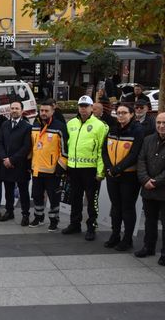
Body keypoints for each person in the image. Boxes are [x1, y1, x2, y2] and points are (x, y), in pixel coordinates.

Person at [62, 95, 109, 241]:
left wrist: (100, 171)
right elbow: (66, 146)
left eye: (86, 106)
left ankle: (91, 227)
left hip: (91, 169)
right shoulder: (71, 123)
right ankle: (74, 224)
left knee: (91, 200)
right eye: (81, 106)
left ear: (91, 108)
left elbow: (102, 150)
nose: (83, 108)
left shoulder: (100, 125)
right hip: (74, 168)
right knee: (75, 198)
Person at [102, 104, 144, 251]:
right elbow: (104, 151)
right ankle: (115, 235)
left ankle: (127, 239)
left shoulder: (137, 131)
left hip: (129, 176)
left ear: (131, 114)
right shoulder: (113, 129)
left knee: (127, 208)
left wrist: (118, 169)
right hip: (112, 175)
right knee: (115, 206)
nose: (120, 115)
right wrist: (109, 168)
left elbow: (134, 155)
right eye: (118, 113)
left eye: (124, 113)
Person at [29, 99, 68, 231]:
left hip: (52, 171)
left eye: (46, 111)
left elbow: (65, 151)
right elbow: (32, 147)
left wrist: (60, 167)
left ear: (52, 111)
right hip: (36, 169)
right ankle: (38, 217)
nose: (43, 113)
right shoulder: (35, 125)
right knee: (37, 195)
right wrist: (30, 164)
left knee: (54, 197)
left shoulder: (59, 127)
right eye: (42, 111)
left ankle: (54, 220)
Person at [136, 112, 165, 266]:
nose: (161, 126)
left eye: (164, 123)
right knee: (150, 221)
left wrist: (156, 182)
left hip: (162, 189)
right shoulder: (148, 140)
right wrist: (145, 179)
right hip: (148, 188)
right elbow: (141, 160)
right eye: (159, 122)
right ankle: (148, 247)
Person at [0, 101, 33, 225]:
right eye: (12, 108)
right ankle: (9, 211)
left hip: (20, 165)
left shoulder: (27, 127)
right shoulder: (5, 125)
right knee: (8, 190)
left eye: (17, 108)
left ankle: (25, 215)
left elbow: (26, 147)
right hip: (6, 164)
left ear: (22, 111)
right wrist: (4, 159)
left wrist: (12, 160)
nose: (14, 110)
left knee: (23, 192)